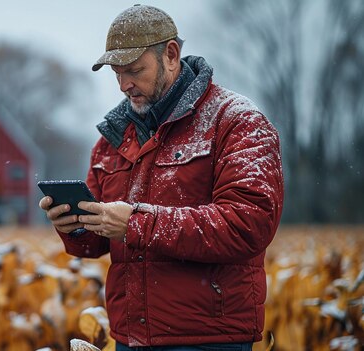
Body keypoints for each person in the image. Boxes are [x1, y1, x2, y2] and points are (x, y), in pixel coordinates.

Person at [39, 4, 284, 351]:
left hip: (208, 340)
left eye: (135, 70)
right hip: (128, 338)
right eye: (116, 73)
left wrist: (136, 223)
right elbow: (95, 244)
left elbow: (250, 224)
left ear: (171, 54)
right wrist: (73, 226)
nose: (124, 84)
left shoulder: (237, 121)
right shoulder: (111, 140)